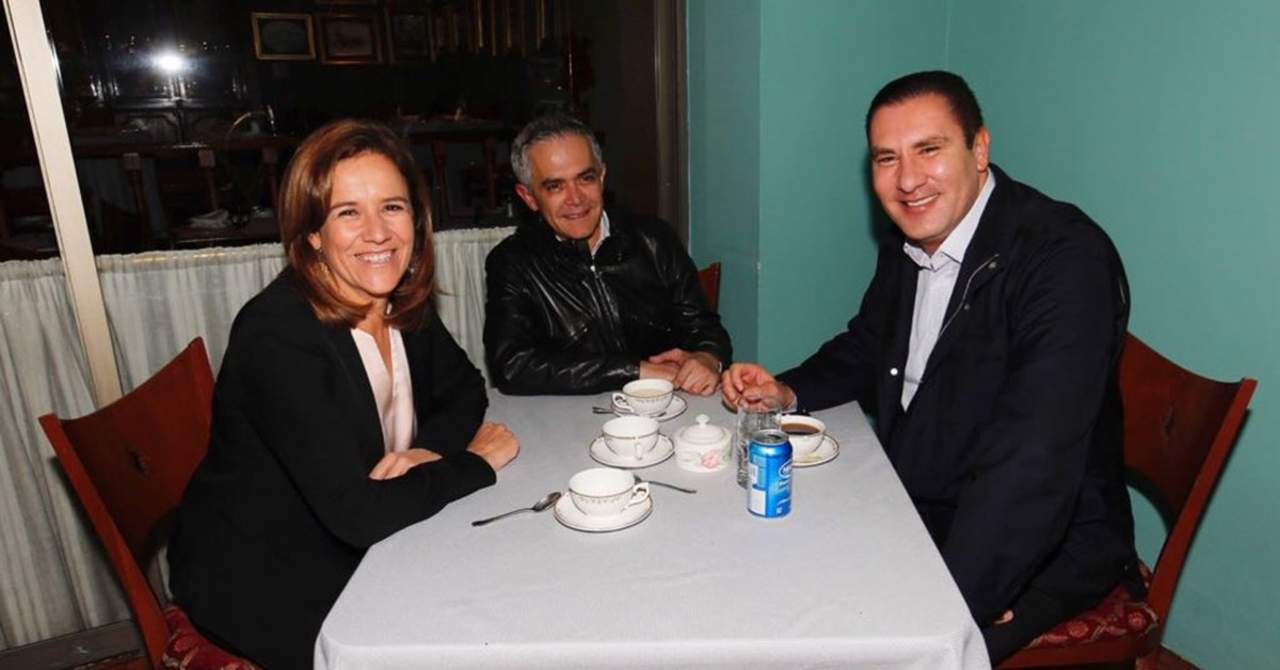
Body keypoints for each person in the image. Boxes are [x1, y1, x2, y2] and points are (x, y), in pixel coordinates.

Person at [722, 71, 1141, 663]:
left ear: (979, 148)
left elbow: (1033, 460)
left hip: (1042, 544)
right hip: (920, 497)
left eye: (929, 149)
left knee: (869, 648)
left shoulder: (1064, 260)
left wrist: (960, 596)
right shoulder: (915, 235)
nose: (907, 180)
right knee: (770, 569)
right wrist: (787, 391)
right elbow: (869, 343)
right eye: (886, 158)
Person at [168, 120, 519, 669]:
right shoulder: (277, 336)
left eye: (392, 207)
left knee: (500, 591)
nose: (377, 233)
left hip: (351, 532)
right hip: (263, 572)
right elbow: (358, 515)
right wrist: (475, 463)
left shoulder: (397, 299)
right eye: (348, 212)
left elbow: (465, 389)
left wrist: (424, 452)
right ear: (312, 232)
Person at [484, 114, 731, 396]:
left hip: (670, 406)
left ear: (601, 177)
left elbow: (705, 328)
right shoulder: (512, 262)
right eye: (555, 186)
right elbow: (511, 366)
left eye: (585, 178)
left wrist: (708, 357)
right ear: (529, 197)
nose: (576, 198)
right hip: (569, 416)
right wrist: (634, 371)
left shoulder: (654, 239)